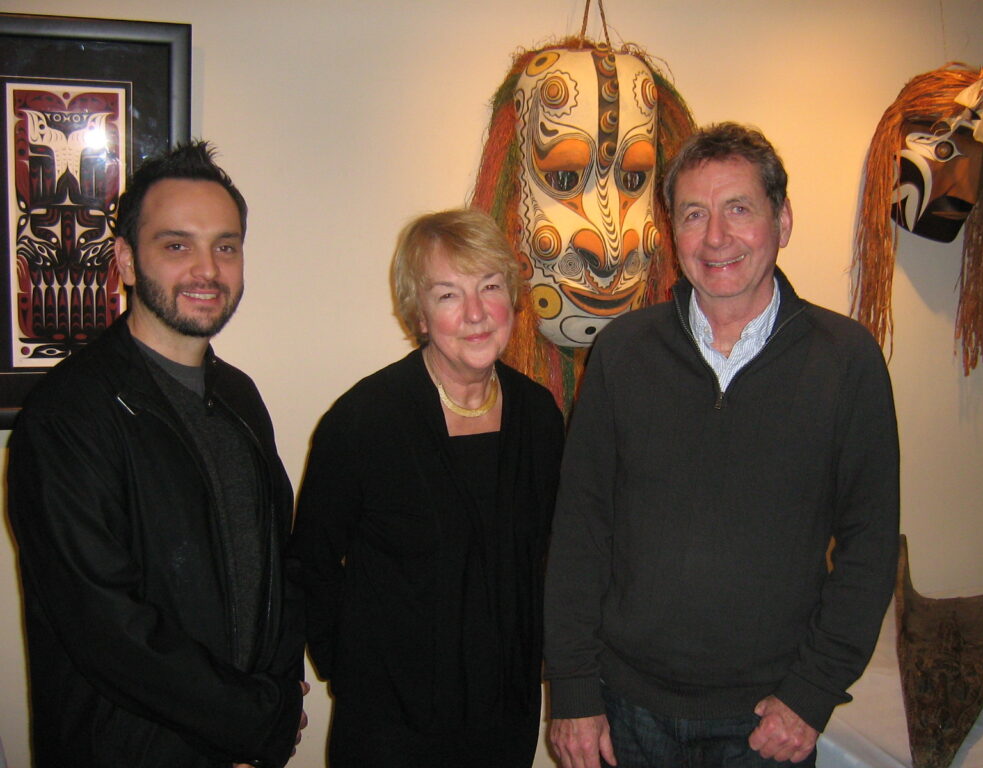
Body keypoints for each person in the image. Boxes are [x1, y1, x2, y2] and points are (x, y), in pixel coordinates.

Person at [543, 123, 900, 768]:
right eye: (694, 215)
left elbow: (870, 545)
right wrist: (570, 689)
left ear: (782, 220)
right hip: (627, 711)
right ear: (670, 231)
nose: (716, 238)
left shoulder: (846, 361)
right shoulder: (622, 352)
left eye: (739, 209)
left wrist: (813, 694)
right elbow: (580, 531)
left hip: (770, 719)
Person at [7, 140, 307, 768]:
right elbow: (108, 631)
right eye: (177, 246)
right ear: (124, 260)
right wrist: (257, 719)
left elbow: (277, 565)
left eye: (225, 246)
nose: (207, 269)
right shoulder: (66, 417)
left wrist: (271, 699)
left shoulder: (239, 397)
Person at [287, 209, 564, 768]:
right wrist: (355, 667)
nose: (477, 314)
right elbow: (308, 562)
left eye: (490, 287)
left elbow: (552, 558)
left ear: (513, 297)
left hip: (503, 722)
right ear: (417, 313)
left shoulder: (539, 416)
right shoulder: (365, 420)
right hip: (390, 729)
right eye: (448, 295)